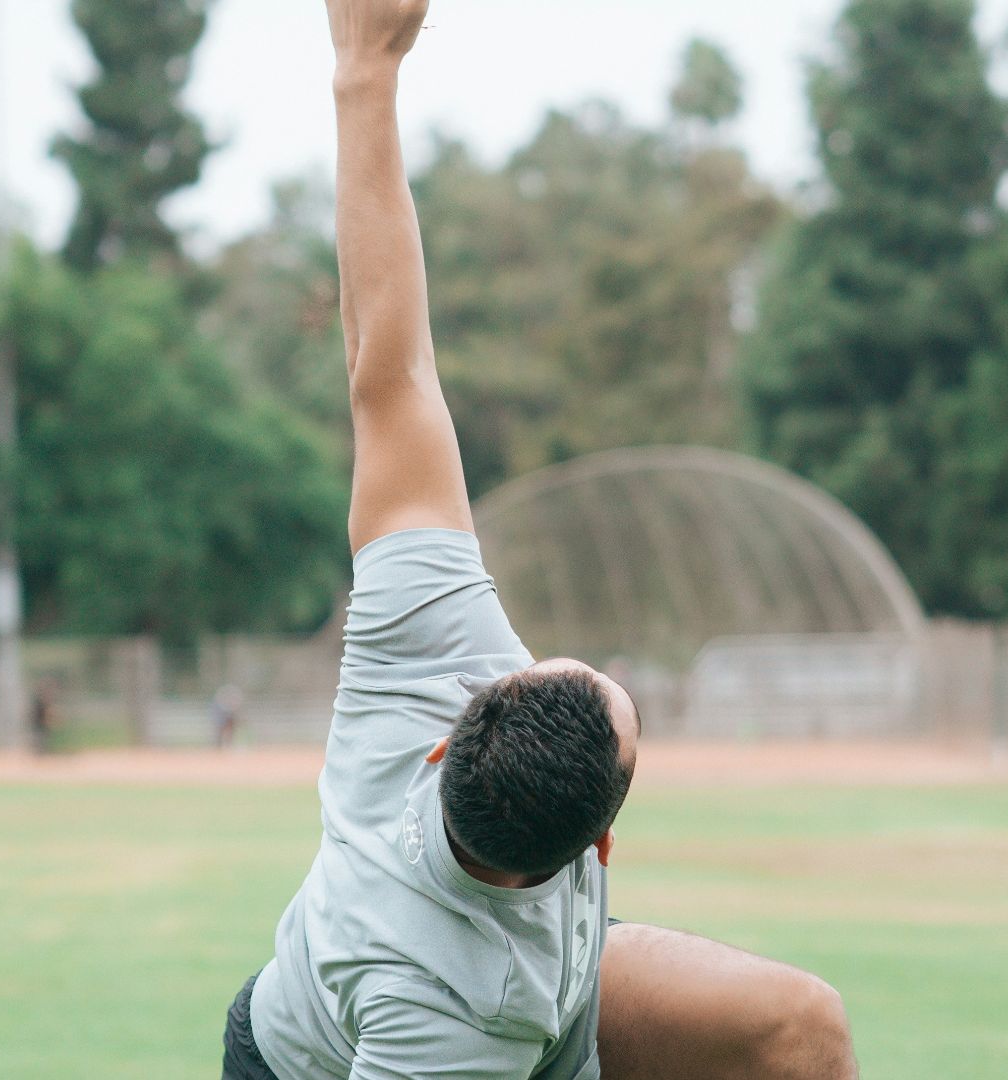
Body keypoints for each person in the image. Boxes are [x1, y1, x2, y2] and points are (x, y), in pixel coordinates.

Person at [220, 3, 858, 1077]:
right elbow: (452, 1016)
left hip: (540, 993)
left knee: (802, 1031)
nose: (561, 663)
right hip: (348, 1051)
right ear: (597, 849)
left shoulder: (422, 658)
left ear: (452, 732)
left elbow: (391, 375)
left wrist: (364, 71)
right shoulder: (446, 1018)